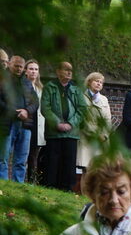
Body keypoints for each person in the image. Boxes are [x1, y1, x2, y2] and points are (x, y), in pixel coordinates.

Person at [41, 61, 85, 191]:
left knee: (69, 163)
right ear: (58, 71)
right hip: (54, 133)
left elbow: (82, 109)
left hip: (71, 133)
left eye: (71, 70)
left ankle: (67, 189)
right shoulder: (50, 87)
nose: (69, 72)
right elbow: (45, 108)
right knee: (52, 162)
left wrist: (71, 123)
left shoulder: (76, 89)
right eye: (66, 70)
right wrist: (57, 123)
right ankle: (50, 188)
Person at [1, 55, 38, 183]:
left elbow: (35, 102)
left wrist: (27, 111)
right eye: (16, 66)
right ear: (10, 64)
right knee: (3, 158)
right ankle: (4, 184)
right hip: (6, 123)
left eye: (21, 67)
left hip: (25, 125)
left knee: (21, 159)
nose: (18, 69)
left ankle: (18, 186)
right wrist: (14, 112)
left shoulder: (27, 82)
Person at [78, 72, 112, 173]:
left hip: (102, 140)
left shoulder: (104, 100)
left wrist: (105, 134)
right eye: (96, 81)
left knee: (100, 170)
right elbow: (83, 120)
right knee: (87, 170)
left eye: (101, 82)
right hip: (87, 138)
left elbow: (108, 119)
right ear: (89, 82)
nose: (99, 84)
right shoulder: (82, 97)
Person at [23, 59, 45, 184]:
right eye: (31, 68)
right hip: (26, 123)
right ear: (26, 71)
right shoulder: (22, 86)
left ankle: (31, 181)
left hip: (38, 125)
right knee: (23, 154)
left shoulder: (40, 88)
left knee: (33, 156)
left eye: (36, 69)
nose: (33, 71)